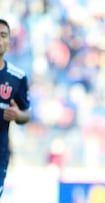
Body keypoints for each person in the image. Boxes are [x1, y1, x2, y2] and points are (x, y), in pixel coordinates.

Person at [0, 18, 31, 198]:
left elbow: (26, 115)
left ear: (9, 42)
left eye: (3, 35)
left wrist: (18, 114)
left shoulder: (17, 77)